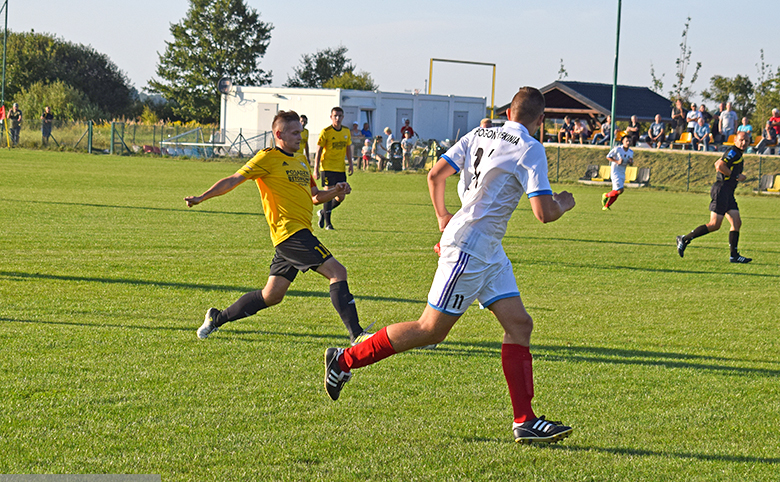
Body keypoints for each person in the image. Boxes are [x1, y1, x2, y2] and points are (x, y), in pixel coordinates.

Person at [322, 87, 577, 445]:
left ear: (508, 112)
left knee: (520, 324)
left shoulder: (478, 134)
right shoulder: (530, 147)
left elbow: (435, 175)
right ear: (541, 119)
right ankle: (345, 360)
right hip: (471, 248)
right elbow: (544, 213)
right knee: (430, 329)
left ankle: (525, 420)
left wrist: (444, 217)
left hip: (487, 249)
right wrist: (564, 202)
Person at [184, 110, 372, 345]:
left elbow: (314, 196)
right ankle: (357, 336)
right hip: (290, 233)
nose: (300, 137)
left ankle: (216, 318)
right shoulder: (267, 158)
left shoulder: (301, 160)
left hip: (298, 233)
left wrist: (335, 191)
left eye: (301, 132)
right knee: (337, 272)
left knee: (271, 295)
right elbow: (234, 179)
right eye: (294, 133)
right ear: (279, 134)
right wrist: (202, 197)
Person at [676, 131, 752, 263]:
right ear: (735, 140)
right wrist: (736, 176)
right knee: (714, 224)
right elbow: (719, 165)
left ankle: (734, 255)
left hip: (728, 192)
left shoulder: (736, 153)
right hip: (722, 189)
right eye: (741, 140)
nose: (744, 143)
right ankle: (684, 239)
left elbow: (719, 161)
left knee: (736, 222)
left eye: (746, 140)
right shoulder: (733, 152)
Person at [314, 107, 353, 230]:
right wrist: (316, 168)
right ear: (331, 117)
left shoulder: (346, 131)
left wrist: (351, 163)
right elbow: (319, 150)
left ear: (343, 117)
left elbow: (348, 148)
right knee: (329, 194)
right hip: (327, 167)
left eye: (340, 116)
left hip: (340, 168)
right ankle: (328, 224)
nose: (337, 118)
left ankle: (322, 213)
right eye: (335, 116)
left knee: (341, 197)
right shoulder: (326, 132)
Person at [602, 134, 633, 210]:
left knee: (617, 192)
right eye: (626, 141)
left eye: (629, 141)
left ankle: (606, 206)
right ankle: (605, 195)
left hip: (622, 172)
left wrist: (631, 162)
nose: (628, 143)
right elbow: (608, 157)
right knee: (620, 190)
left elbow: (631, 163)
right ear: (623, 141)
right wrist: (617, 161)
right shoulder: (617, 149)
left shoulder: (631, 152)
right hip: (615, 171)